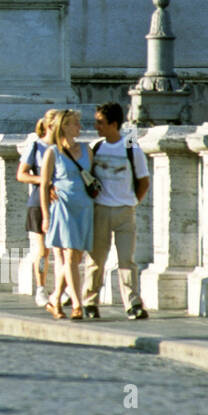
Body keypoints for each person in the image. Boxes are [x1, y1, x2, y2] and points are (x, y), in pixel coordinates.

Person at [82, 102, 151, 320]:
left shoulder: (131, 147)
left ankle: (132, 303)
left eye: (100, 122)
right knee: (96, 260)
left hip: (124, 211)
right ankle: (90, 301)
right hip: (100, 209)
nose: (96, 126)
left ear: (113, 124)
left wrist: (131, 202)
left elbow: (143, 181)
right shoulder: (97, 146)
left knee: (126, 260)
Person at [39, 109, 94, 320]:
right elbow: (44, 185)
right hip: (63, 207)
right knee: (70, 255)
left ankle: (54, 298)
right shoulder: (52, 153)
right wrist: (46, 215)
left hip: (85, 207)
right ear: (64, 126)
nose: (79, 127)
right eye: (74, 123)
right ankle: (78, 304)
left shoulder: (87, 149)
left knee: (76, 256)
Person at [17, 111, 58, 307]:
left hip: (61, 202)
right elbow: (22, 174)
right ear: (51, 126)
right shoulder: (36, 145)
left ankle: (61, 290)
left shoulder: (67, 146)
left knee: (62, 250)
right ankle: (41, 287)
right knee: (42, 250)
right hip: (38, 202)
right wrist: (43, 180)